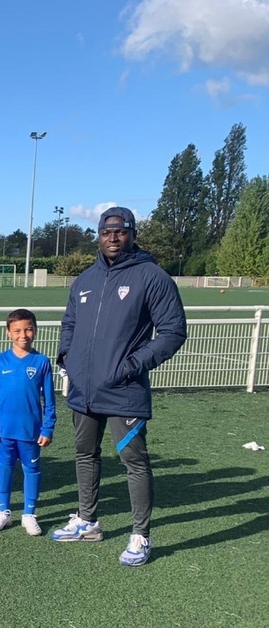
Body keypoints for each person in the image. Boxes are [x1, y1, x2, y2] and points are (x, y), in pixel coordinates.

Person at [52, 206, 187, 566]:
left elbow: (173, 331)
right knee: (84, 454)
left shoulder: (152, 276)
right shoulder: (85, 280)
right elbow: (69, 323)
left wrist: (132, 365)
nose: (112, 237)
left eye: (120, 231)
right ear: (98, 235)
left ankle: (141, 535)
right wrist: (66, 356)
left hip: (124, 391)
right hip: (83, 390)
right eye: (106, 232)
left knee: (134, 462)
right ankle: (87, 521)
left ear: (132, 234)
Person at [0, 309, 56, 536]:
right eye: (17, 331)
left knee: (31, 469)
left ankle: (29, 514)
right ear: (8, 333)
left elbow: (50, 400)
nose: (23, 335)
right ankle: (3, 511)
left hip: (30, 431)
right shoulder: (0, 361)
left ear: (35, 330)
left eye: (28, 329)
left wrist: (48, 428)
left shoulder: (41, 362)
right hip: (4, 430)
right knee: (4, 467)